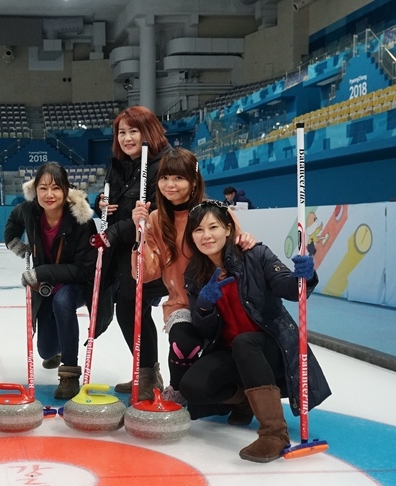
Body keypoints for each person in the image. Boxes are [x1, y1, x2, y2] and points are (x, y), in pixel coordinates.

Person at [179, 200, 331, 463]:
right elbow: (204, 329)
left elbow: (288, 288)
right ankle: (245, 401)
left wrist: (304, 278)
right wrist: (203, 306)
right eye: (198, 230)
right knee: (192, 386)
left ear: (228, 229)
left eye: (213, 227)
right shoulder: (195, 272)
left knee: (245, 342)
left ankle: (274, 433)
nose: (206, 236)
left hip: (272, 347)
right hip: (232, 351)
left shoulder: (254, 254)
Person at [130, 148, 255, 402]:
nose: (170, 185)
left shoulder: (218, 212)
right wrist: (139, 234)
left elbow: (238, 256)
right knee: (182, 343)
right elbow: (145, 274)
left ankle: (242, 395)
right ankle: (178, 389)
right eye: (165, 178)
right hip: (183, 304)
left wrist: (247, 242)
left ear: (194, 180)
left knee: (227, 366)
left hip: (222, 304)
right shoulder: (155, 220)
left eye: (178, 178)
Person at [90, 105, 172, 400]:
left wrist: (113, 232)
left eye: (133, 131)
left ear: (148, 131)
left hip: (152, 249)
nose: (126, 138)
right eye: (121, 132)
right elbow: (111, 201)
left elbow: (152, 215)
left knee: (132, 307)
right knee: (129, 309)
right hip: (127, 251)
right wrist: (100, 202)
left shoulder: (163, 164)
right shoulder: (120, 165)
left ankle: (149, 375)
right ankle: (146, 372)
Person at [4, 162, 100, 399]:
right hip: (45, 287)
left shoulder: (80, 220)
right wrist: (13, 242)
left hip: (75, 284)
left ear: (66, 191)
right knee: (45, 350)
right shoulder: (28, 210)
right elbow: (13, 220)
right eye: (43, 188)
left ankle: (69, 374)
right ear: (35, 190)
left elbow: (83, 270)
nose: (49, 195)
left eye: (56, 188)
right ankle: (56, 349)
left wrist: (43, 273)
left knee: (63, 301)